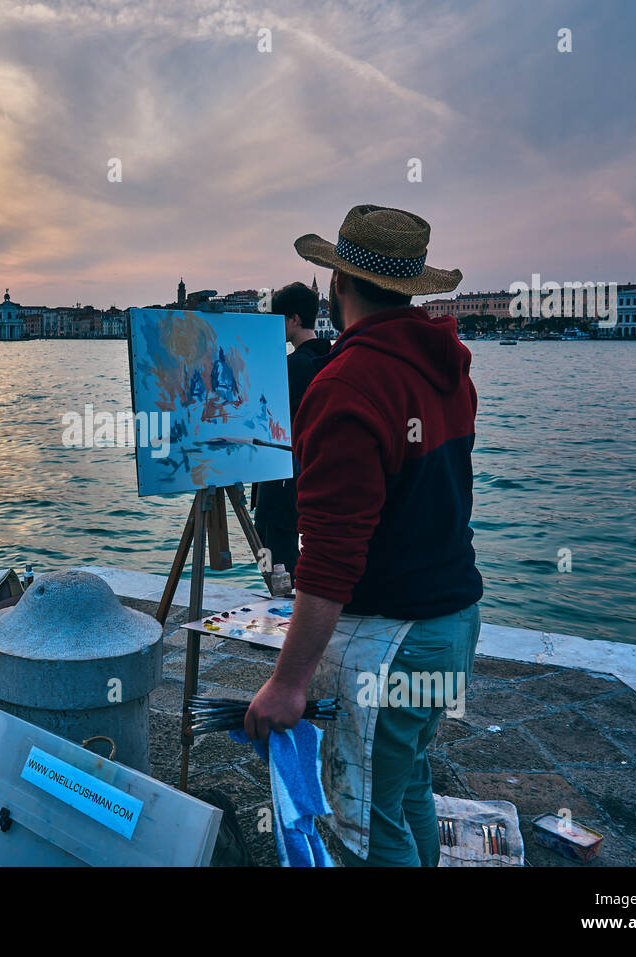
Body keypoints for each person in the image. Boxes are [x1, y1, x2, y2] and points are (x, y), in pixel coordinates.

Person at [245, 204, 483, 867]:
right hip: (456, 620)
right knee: (405, 785)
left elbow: (329, 557)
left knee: (370, 833)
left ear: (335, 286)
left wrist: (288, 683)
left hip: (396, 638)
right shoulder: (449, 367)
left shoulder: (348, 383)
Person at [252, 281, 334, 575]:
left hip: (282, 473)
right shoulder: (331, 359)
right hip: (317, 472)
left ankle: (286, 609)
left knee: (269, 548)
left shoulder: (292, 365)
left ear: (294, 319)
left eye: (279, 319)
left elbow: (262, 416)